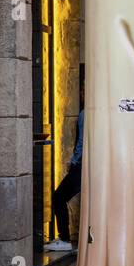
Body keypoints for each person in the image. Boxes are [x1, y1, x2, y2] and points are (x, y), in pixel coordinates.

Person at [48, 107, 84, 251]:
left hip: (81, 166)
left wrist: (73, 161)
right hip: (94, 167)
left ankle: (64, 239)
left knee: (58, 197)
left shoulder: (84, 114)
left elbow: (82, 142)